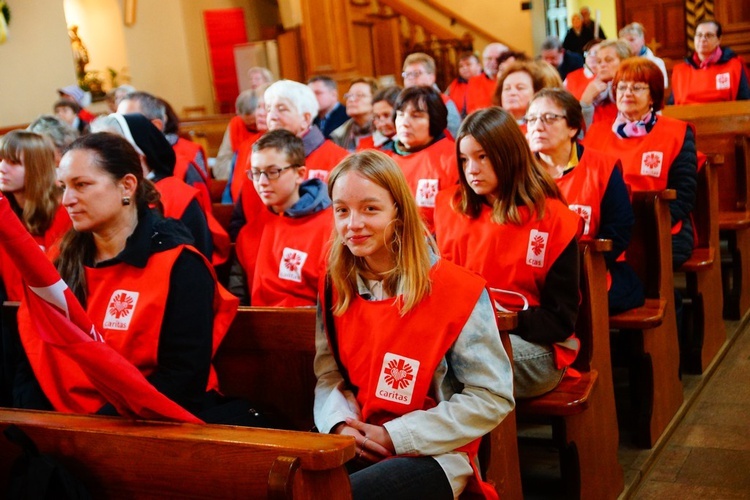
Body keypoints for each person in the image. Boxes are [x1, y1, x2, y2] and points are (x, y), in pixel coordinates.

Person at [315, 150, 514, 500]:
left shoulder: (458, 288)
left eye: (370, 208)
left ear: (399, 212)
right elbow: (329, 375)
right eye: (342, 210)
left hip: (435, 450)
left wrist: (395, 435)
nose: (353, 223)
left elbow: (491, 396)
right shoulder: (335, 285)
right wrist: (340, 424)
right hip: (358, 437)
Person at [14, 132, 238, 417]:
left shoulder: (179, 265)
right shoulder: (59, 259)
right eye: (63, 187)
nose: (67, 200)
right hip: (64, 423)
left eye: (81, 185)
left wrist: (102, 427)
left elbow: (183, 376)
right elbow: (32, 347)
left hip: (150, 422)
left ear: (127, 186)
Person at [434, 107, 582, 399]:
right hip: (467, 338)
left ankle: (440, 444)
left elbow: (560, 320)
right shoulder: (450, 208)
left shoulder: (552, 218)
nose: (471, 170)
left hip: (535, 345)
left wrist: (499, 322)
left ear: (509, 154)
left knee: (455, 365)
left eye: (482, 157)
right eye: (464, 160)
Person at [526, 88, 644, 313]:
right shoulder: (520, 173)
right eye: (531, 119)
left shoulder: (601, 167)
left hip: (591, 269)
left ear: (572, 127)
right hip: (532, 276)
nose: (537, 126)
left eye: (549, 118)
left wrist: (576, 270)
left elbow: (618, 229)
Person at [584, 58, 697, 269]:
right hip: (605, 231)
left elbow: (684, 193)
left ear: (653, 95)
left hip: (658, 229)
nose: (627, 93)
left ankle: (669, 301)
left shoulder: (676, 132)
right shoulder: (596, 132)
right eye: (621, 87)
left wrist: (642, 229)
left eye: (636, 88)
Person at [91, 113, 214, 261]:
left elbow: (197, 255)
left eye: (107, 151)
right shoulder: (99, 194)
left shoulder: (176, 193)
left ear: (138, 153)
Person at [233, 130, 332, 306]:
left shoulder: (330, 227)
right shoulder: (249, 233)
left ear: (300, 174)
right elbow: (238, 303)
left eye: (272, 172)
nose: (262, 181)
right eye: (256, 173)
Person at [0, 131, 71, 302]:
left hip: (49, 314)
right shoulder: (5, 212)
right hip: (12, 313)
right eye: (1, 160)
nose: (2, 168)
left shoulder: (64, 213)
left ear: (36, 168)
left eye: (13, 163)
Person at [384, 86, 458, 232]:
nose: (405, 123)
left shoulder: (453, 158)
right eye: (400, 114)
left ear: (434, 119)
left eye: (416, 116)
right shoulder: (385, 159)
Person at [669, 19, 750, 105]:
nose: (703, 39)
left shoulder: (734, 66)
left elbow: (745, 104)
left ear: (719, 39)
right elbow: (671, 108)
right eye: (699, 35)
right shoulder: (680, 71)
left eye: (709, 35)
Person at [224, 85, 270, 203]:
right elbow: (231, 185)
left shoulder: (292, 147)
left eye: (266, 108)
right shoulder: (245, 147)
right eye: (259, 107)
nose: (259, 113)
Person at [401, 52, 461, 137]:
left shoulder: (444, 103)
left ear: (432, 77)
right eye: (407, 75)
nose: (410, 79)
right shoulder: (402, 103)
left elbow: (454, 137)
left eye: (416, 74)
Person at [214, 89, 266, 182]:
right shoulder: (235, 125)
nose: (252, 127)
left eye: (254, 123)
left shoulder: (267, 125)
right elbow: (221, 164)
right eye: (248, 125)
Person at [494, 60, 563, 130]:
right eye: (507, 88)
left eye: (520, 88)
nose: (512, 93)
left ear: (537, 92)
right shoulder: (493, 127)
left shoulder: (546, 128)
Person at [579, 39, 632, 129]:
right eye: (599, 61)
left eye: (608, 60)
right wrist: (585, 101)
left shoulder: (634, 89)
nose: (602, 65)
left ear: (625, 62)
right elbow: (583, 134)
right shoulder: (593, 89)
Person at [331, 78, 379, 151]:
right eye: (349, 96)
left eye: (359, 95)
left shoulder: (385, 130)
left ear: (375, 100)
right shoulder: (339, 135)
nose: (351, 99)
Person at [619, 22, 668, 88]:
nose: (628, 44)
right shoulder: (619, 63)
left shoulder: (656, 62)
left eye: (632, 40)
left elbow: (662, 87)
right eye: (624, 41)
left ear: (642, 41)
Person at [465, 42, 509, 115]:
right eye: (489, 58)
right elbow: (470, 110)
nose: (493, 62)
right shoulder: (474, 81)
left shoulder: (511, 81)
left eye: (497, 59)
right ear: (483, 61)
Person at [359, 85, 401, 151]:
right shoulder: (365, 147)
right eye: (377, 117)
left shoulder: (414, 145)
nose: (381, 124)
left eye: (387, 115)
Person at [444, 51, 483, 117]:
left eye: (468, 64)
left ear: (479, 66)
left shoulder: (487, 81)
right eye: (461, 66)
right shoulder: (454, 85)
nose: (464, 68)